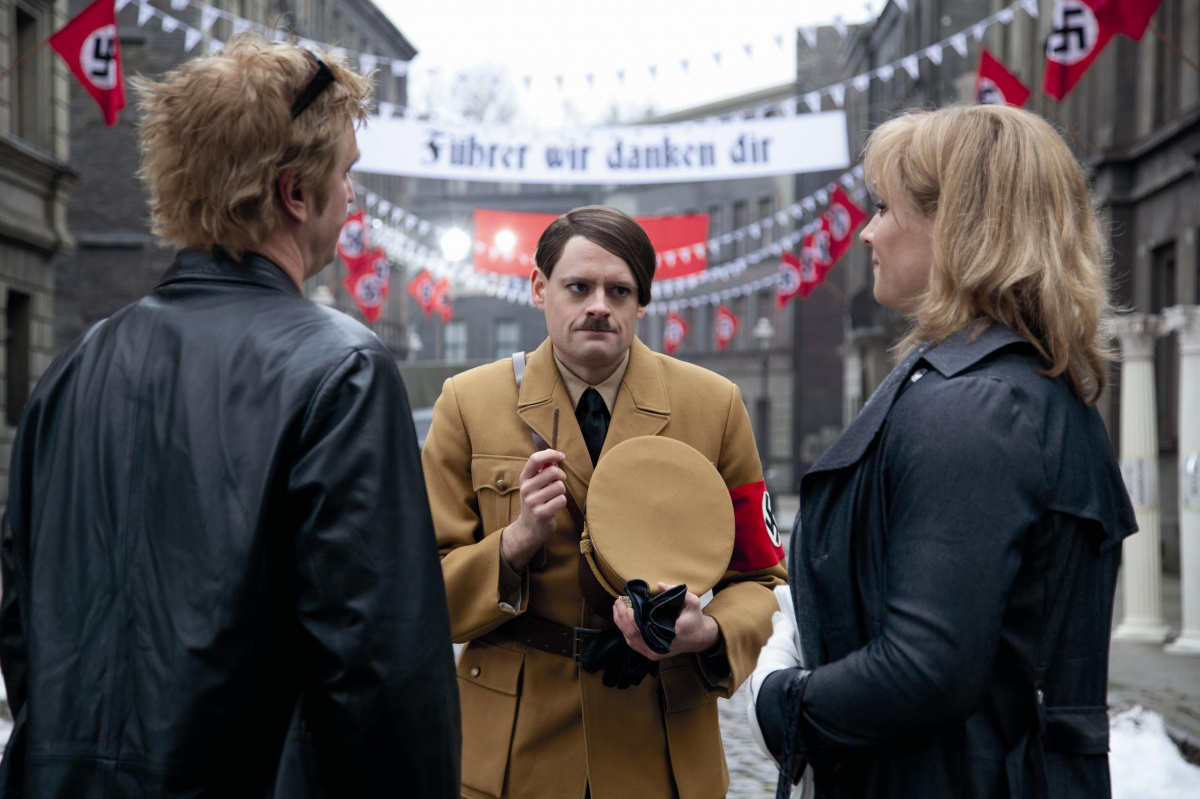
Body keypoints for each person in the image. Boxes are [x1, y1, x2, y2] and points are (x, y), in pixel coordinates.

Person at [0, 35, 459, 798]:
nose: (353, 198)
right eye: (345, 173)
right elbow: (382, 685)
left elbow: (23, 629)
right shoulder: (343, 369)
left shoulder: (75, 365)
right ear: (295, 193)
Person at [749, 103, 1137, 799]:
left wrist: (780, 700)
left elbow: (924, 669)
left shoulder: (976, 405)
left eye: (884, 208)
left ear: (957, 224)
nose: (867, 231)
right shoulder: (1015, 387)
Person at [422, 205, 787, 799]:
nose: (599, 305)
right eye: (578, 287)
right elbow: (421, 589)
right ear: (539, 288)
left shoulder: (713, 406)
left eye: (619, 290)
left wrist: (708, 632)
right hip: (517, 749)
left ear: (642, 302)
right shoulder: (468, 404)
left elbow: (764, 583)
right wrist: (514, 544)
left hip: (658, 742)